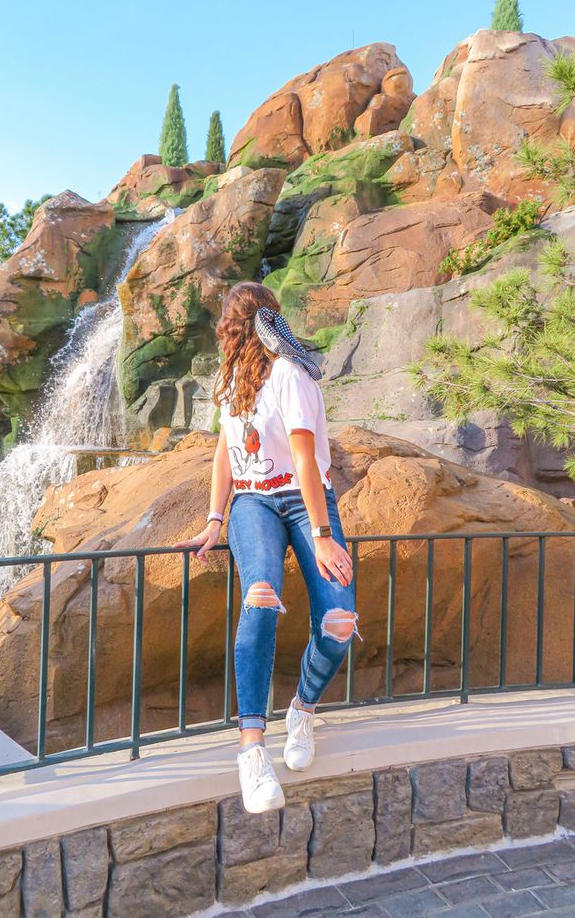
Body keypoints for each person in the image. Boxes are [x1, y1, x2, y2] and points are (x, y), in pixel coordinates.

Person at [175, 281, 359, 814]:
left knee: (340, 619)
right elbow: (225, 453)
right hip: (253, 504)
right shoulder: (229, 378)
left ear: (236, 326)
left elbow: (305, 461)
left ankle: (302, 709)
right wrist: (214, 519)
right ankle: (251, 748)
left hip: (307, 504)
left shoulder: (290, 374)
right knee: (260, 595)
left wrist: (323, 537)